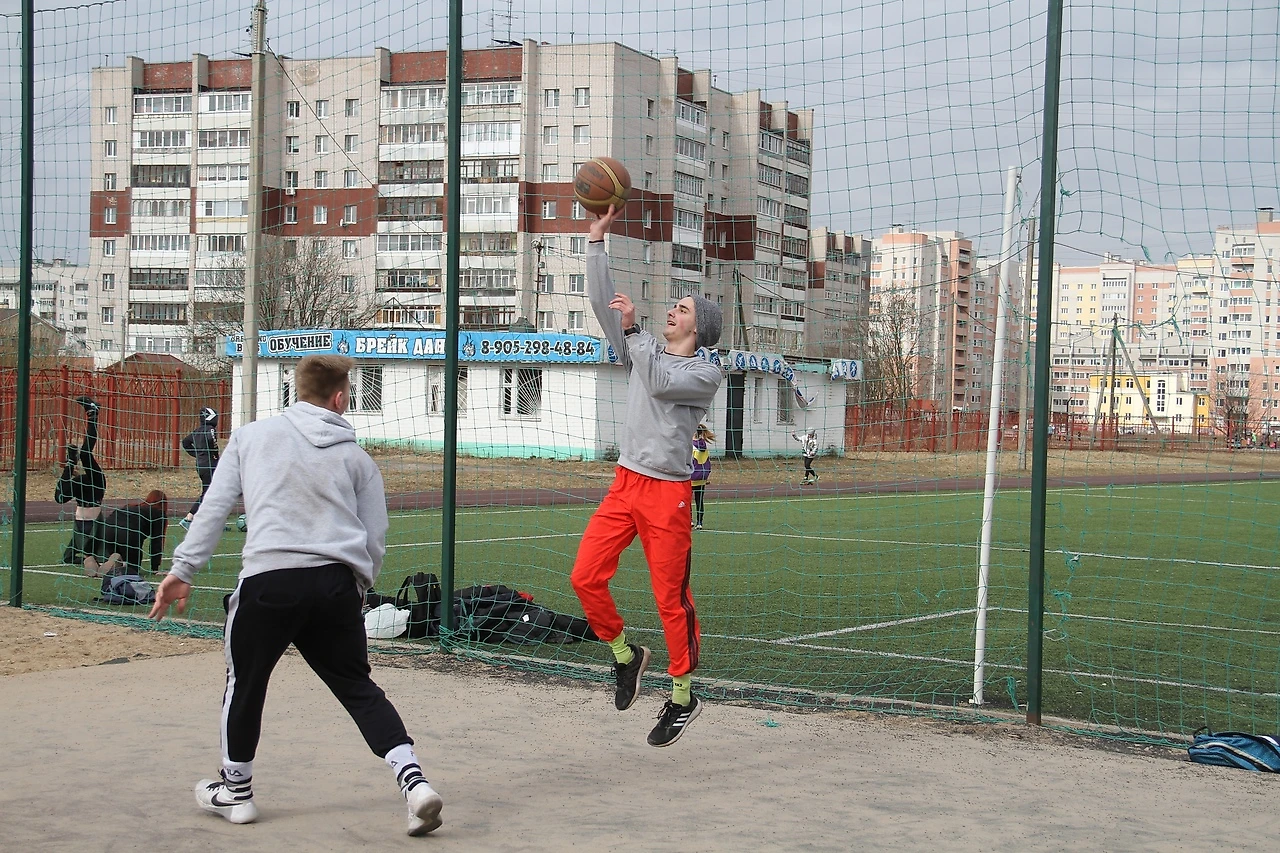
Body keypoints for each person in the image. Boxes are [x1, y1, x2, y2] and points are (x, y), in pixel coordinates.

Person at [148, 354, 443, 836]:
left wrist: (183, 570)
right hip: (334, 585)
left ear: (295, 390)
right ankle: (414, 782)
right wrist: (358, 587)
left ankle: (236, 793)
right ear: (341, 397)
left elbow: (215, 506)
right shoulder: (358, 458)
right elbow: (375, 535)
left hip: (269, 582)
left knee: (245, 684)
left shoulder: (250, 437)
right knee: (357, 687)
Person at [570, 204, 724, 748]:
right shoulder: (644, 349)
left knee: (670, 600)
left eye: (680, 309)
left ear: (697, 326)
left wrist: (634, 331)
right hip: (626, 483)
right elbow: (603, 307)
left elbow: (658, 381)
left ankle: (683, 696)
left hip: (668, 494)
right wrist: (595, 244)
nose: (672, 313)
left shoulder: (704, 371)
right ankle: (624, 654)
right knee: (585, 577)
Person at [55, 396, 107, 573]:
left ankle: (93, 413)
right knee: (70, 558)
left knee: (85, 453)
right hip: (82, 518)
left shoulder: (89, 478)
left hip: (96, 486)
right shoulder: (77, 483)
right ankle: (92, 412)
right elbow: (59, 497)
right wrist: (69, 466)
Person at [92, 489, 168, 577]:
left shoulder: (132, 506)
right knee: (133, 570)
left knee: (119, 557)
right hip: (128, 532)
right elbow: (156, 541)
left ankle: (111, 563)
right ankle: (119, 566)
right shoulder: (159, 514)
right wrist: (155, 568)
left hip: (108, 528)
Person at [179, 407, 220, 530]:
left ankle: (212, 521)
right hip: (209, 464)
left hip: (200, 464)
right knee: (209, 492)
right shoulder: (210, 429)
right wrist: (215, 454)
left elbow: (185, 442)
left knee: (211, 491)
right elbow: (211, 440)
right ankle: (189, 518)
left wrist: (197, 454)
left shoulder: (197, 431)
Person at [691, 424, 715, 531]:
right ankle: (699, 522)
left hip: (691, 477)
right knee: (699, 500)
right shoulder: (703, 445)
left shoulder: (691, 445)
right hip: (702, 477)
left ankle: (690, 520)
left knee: (686, 500)